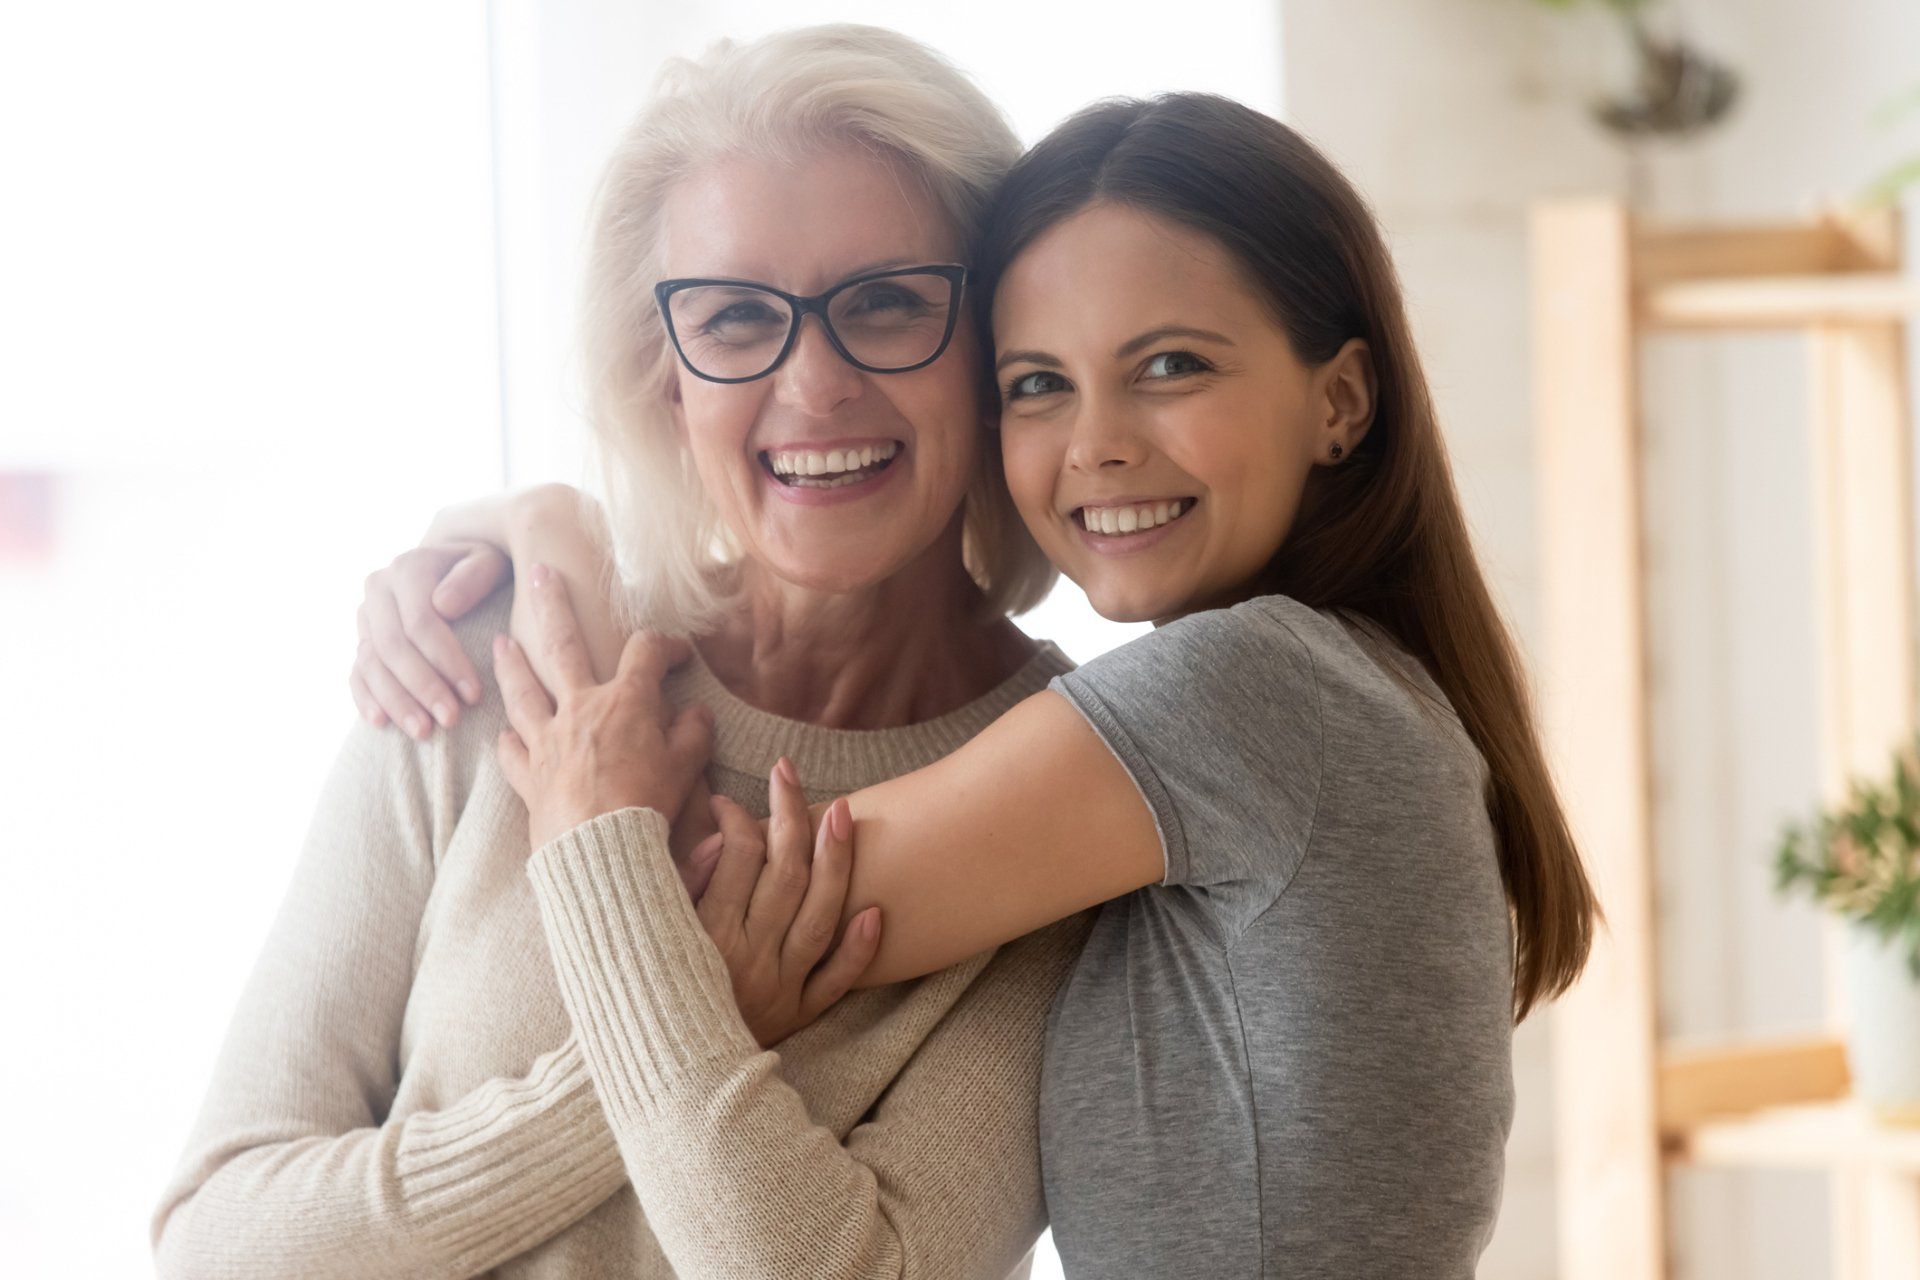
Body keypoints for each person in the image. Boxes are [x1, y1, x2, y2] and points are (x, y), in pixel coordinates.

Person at [362, 90, 1601, 1279]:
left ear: (1340, 401)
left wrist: (566, 607)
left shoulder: (1248, 692)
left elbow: (761, 878)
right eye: (1038, 384)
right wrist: (535, 520)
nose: (1097, 440)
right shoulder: (1328, 698)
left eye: (1170, 365)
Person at [150, 25, 1096, 1280]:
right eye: (738, 316)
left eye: (886, 303)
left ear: (994, 343)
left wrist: (607, 867)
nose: (814, 389)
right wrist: (682, 1014)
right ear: (667, 378)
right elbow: (217, 1237)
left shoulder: (1072, 780)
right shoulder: (501, 656)